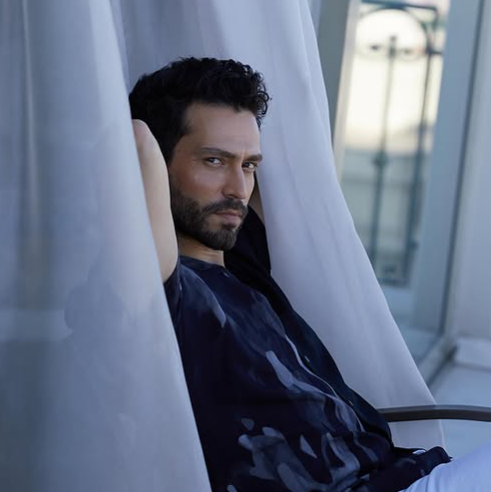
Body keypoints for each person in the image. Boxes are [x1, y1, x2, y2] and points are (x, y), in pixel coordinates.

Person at [129, 57, 490, 492]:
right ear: (157, 166)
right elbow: (137, 139)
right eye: (213, 160)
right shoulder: (168, 288)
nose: (237, 189)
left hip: (401, 472)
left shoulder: (243, 263)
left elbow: (295, 140)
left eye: (248, 165)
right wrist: (144, 131)